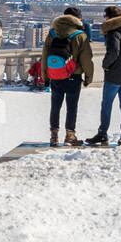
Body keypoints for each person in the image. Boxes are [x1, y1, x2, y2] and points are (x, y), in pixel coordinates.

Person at [86, 5, 121, 146]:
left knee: (107, 104)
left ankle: (102, 134)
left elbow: (114, 52)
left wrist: (105, 65)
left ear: (109, 17)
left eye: (105, 16)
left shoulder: (113, 32)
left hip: (114, 74)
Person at [41, 11, 94, 147]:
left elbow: (45, 57)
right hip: (73, 77)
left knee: (55, 107)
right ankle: (70, 135)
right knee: (72, 107)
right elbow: (86, 59)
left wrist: (45, 77)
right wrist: (88, 77)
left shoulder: (52, 34)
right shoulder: (80, 36)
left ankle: (53, 136)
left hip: (55, 76)